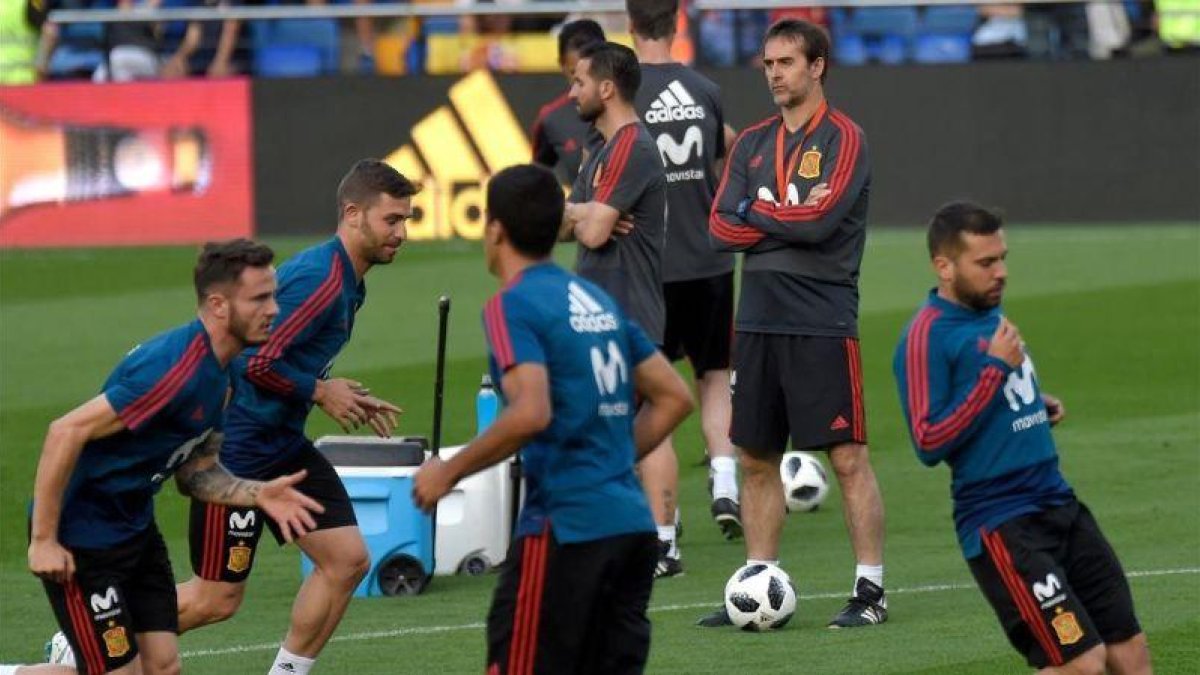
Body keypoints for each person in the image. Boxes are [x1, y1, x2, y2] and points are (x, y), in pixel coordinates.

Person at [412, 163, 693, 675]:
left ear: (494, 230)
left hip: (568, 529)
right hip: (632, 527)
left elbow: (531, 411)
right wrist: (612, 461)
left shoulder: (511, 306)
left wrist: (446, 473)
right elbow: (676, 397)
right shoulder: (595, 299)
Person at [1, 239, 324, 675]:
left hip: (135, 528)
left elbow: (196, 475)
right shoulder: (172, 371)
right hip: (83, 540)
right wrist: (43, 541)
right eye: (260, 298)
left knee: (163, 666)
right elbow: (65, 431)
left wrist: (257, 494)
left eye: (273, 296)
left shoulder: (224, 373)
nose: (274, 310)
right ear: (218, 305)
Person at [172, 159, 412, 675]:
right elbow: (250, 357)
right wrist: (320, 390)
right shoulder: (320, 280)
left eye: (405, 220)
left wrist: (332, 391)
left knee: (347, 560)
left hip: (279, 444)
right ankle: (85, 644)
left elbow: (291, 357)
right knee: (214, 599)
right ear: (353, 213)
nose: (402, 233)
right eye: (392, 220)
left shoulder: (350, 282)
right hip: (235, 453)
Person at [893, 202, 1153, 674]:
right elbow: (928, 440)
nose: (1001, 273)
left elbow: (990, 393)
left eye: (1003, 258)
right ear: (944, 267)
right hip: (1003, 522)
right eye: (986, 262)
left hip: (1059, 504)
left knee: (1128, 651)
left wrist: (1032, 402)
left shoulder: (988, 311)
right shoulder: (924, 336)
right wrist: (995, 371)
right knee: (1082, 663)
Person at [701, 18, 888, 628]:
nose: (775, 73)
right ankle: (758, 582)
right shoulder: (752, 142)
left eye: (786, 62)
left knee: (848, 458)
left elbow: (821, 224)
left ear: (817, 66)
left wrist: (757, 210)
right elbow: (718, 226)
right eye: (768, 63)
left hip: (822, 318)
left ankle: (870, 592)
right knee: (755, 459)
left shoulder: (845, 138)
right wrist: (778, 210)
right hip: (755, 320)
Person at [563, 40, 681, 577]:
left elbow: (588, 227)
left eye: (579, 83)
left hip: (626, 313)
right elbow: (571, 220)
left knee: (631, 427)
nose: (572, 93)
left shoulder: (632, 147)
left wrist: (587, 214)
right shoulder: (602, 148)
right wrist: (587, 212)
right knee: (602, 432)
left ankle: (658, 543)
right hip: (600, 314)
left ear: (606, 88)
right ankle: (631, 538)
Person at [627, 0, 743, 541]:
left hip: (653, 265)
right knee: (715, 375)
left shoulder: (624, 95)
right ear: (676, 24)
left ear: (630, 26)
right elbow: (727, 150)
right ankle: (724, 479)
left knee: (657, 394)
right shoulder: (706, 91)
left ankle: (665, 535)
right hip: (711, 257)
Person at [531, 19, 606, 185]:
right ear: (562, 65)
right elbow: (536, 184)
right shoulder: (551, 120)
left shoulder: (638, 102)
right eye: (574, 73)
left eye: (591, 70)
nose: (584, 81)